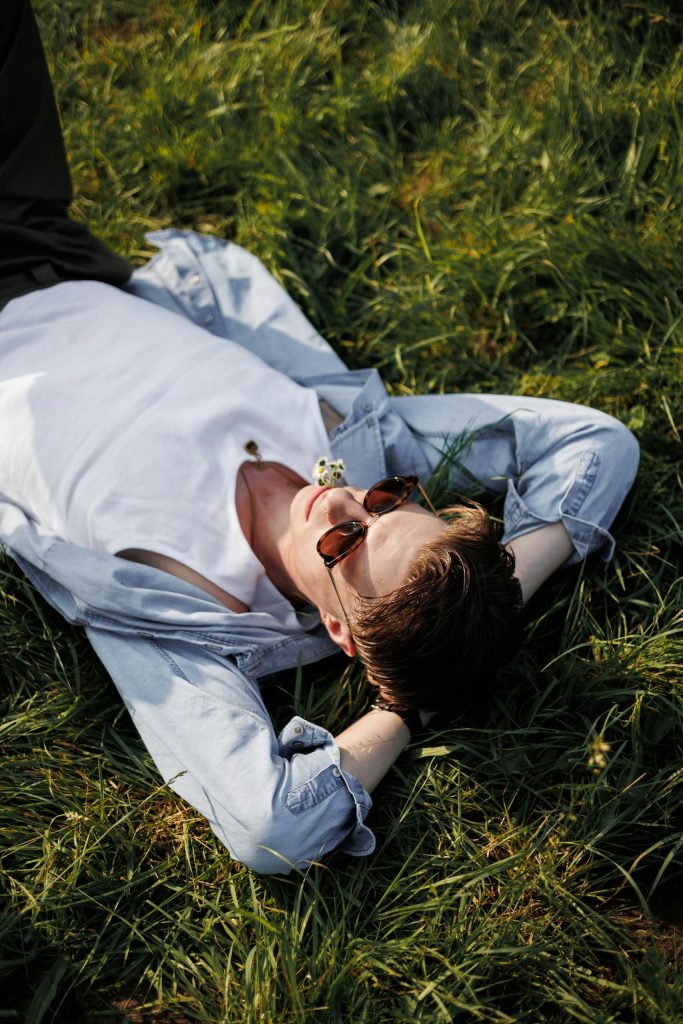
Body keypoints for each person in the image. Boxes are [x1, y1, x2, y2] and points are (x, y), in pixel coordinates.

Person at [0, 0, 639, 873]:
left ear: (341, 636)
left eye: (345, 540)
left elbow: (272, 828)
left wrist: (406, 707)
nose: (339, 497)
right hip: (39, 239)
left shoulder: (186, 609)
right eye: (387, 504)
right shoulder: (350, 444)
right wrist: (489, 605)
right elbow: (596, 443)